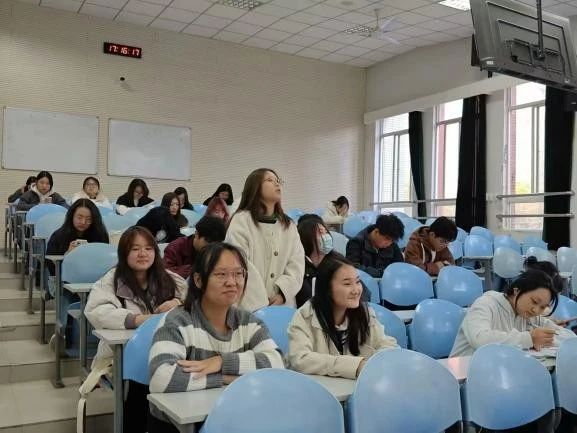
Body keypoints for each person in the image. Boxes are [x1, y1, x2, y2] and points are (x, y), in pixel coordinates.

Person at [148, 242, 284, 432]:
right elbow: (161, 378)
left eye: (238, 274)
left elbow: (276, 363)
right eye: (221, 274)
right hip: (178, 426)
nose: (232, 282)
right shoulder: (177, 321)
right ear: (198, 280)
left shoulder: (248, 321)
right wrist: (226, 378)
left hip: (235, 418)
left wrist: (222, 362)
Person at [84, 226, 187, 433]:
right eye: (135, 249)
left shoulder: (169, 279)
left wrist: (177, 302)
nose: (143, 254)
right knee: (141, 381)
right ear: (124, 253)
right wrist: (138, 320)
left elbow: (194, 301)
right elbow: (96, 311)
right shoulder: (111, 280)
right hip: (121, 355)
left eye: (148, 248)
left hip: (167, 351)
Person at [288, 255, 397, 379]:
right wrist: (355, 366)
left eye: (357, 282)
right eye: (347, 284)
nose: (356, 290)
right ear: (327, 288)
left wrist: (375, 364)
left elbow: (388, 346)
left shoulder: (365, 313)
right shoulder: (305, 316)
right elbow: (300, 359)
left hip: (355, 388)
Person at [225, 168, 304, 312]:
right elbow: (239, 263)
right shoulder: (241, 220)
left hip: (282, 305)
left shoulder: (289, 225)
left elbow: (297, 263)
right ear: (255, 187)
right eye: (269, 180)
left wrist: (283, 293)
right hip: (247, 305)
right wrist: (261, 302)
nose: (277, 184)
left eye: (278, 181)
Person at [450, 270, 576, 357]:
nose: (536, 310)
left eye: (542, 307)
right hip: (463, 373)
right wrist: (529, 338)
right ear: (516, 291)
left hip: (497, 371)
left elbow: (565, 335)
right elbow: (479, 339)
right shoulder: (486, 303)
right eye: (534, 301)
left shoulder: (527, 315)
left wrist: (545, 337)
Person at [46, 199, 110, 344]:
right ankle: (61, 334)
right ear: (72, 216)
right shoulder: (59, 235)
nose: (83, 222)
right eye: (79, 217)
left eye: (88, 219)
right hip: (61, 281)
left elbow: (104, 262)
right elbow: (51, 268)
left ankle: (100, 340)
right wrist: (67, 255)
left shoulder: (100, 235)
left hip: (93, 281)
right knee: (65, 293)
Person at [297, 218, 370, 307]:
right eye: (320, 233)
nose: (326, 236)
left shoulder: (338, 261)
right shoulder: (299, 268)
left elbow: (365, 293)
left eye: (326, 232)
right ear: (307, 238)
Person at [346, 214, 404, 278]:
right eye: (387, 238)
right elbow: (353, 267)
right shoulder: (356, 243)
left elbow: (400, 267)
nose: (389, 243)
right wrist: (382, 273)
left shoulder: (392, 245)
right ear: (376, 231)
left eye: (392, 240)